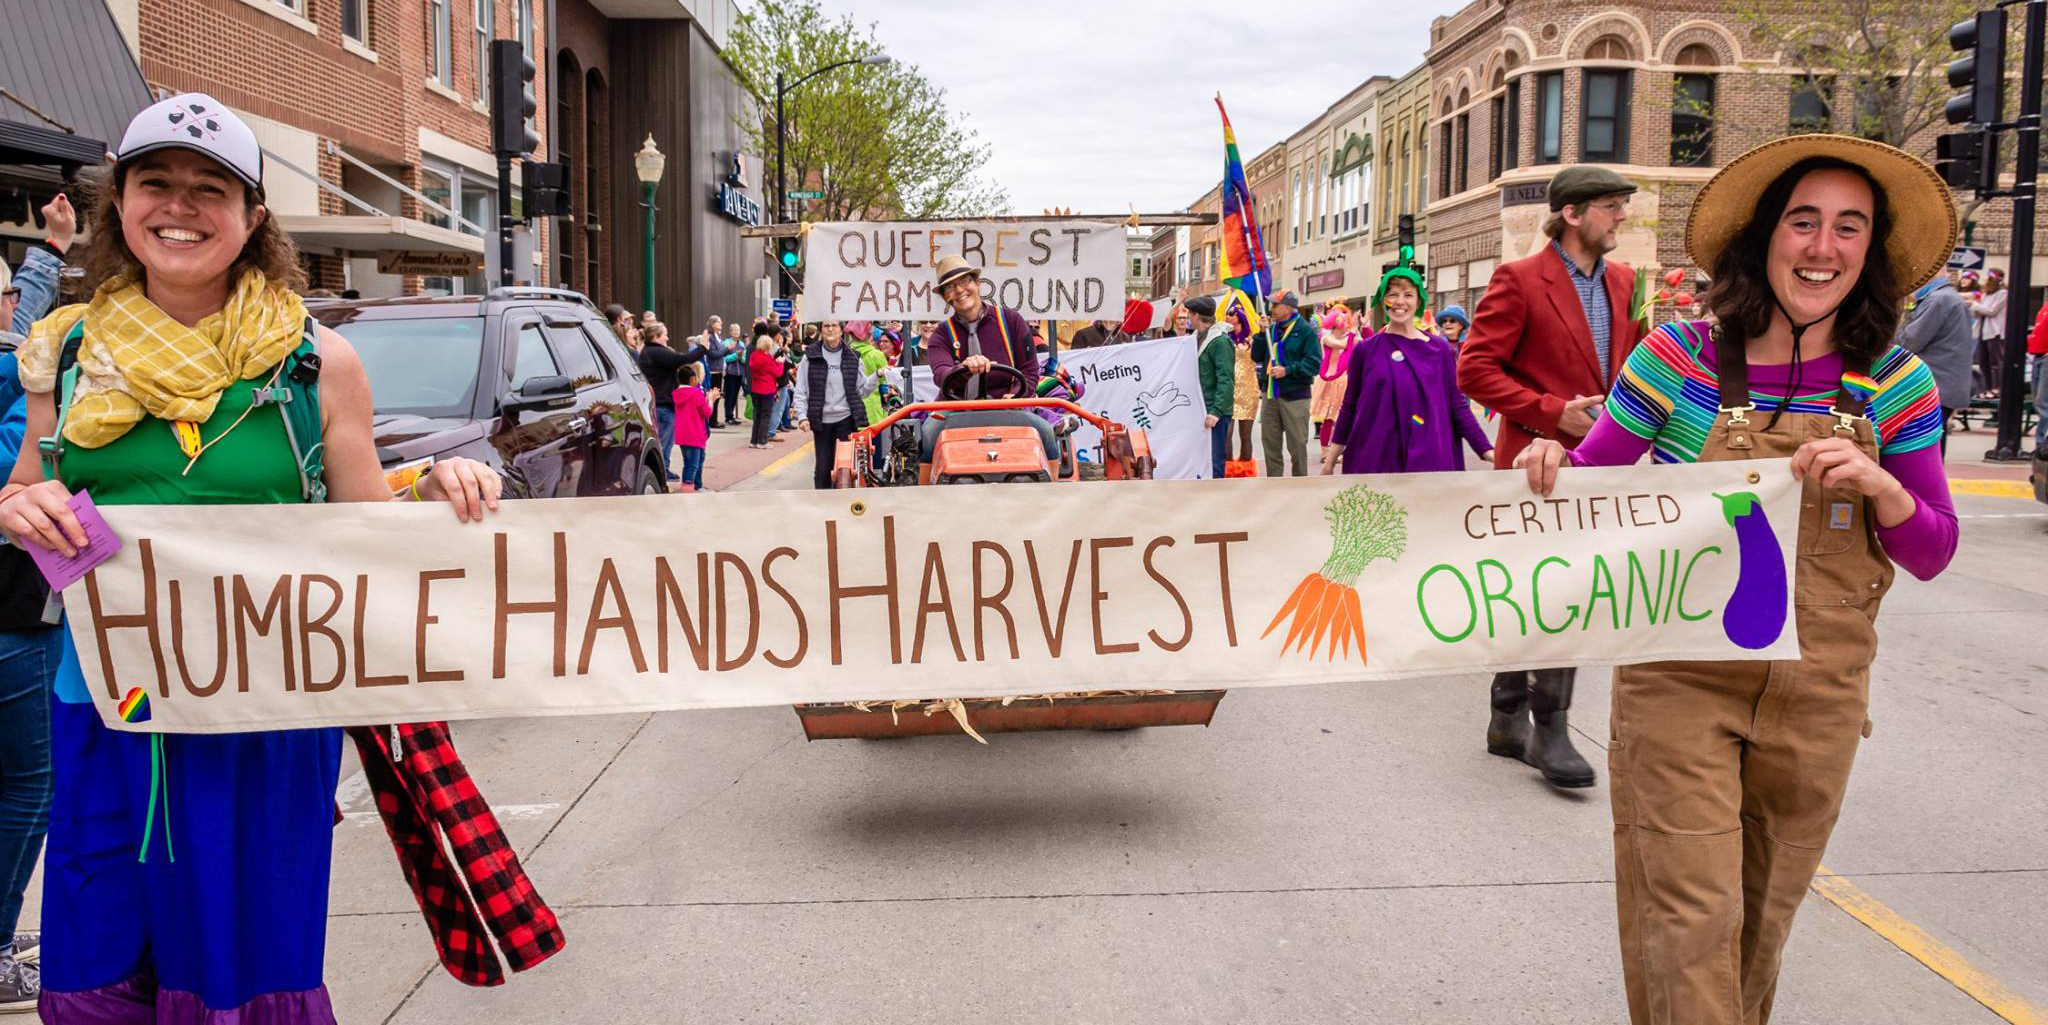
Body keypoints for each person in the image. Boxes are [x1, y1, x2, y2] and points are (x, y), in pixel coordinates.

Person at [1, 93, 502, 1023]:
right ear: (122, 203)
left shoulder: (318, 363)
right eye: (157, 183)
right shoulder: (65, 353)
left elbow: (364, 531)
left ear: (253, 217)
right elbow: (24, 488)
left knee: (248, 954)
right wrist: (20, 502)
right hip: (106, 701)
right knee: (101, 940)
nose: (180, 208)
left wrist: (434, 495)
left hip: (266, 704)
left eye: (211, 190)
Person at [1515, 135, 1958, 1025]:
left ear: (1869, 252)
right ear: (1763, 237)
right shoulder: (1675, 359)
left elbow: (1933, 546)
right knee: (1688, 919)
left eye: (1848, 227)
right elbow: (1593, 483)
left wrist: (1882, 488)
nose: (1823, 247)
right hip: (1679, 677)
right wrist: (1547, 460)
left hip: (1820, 692)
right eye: (1803, 222)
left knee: (1758, 928)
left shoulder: (1899, 385)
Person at [1456, 164, 1646, 789]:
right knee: (1551, 592)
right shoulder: (1518, 280)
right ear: (1572, 213)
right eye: (1612, 206)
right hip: (1533, 464)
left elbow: (1636, 367)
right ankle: (1550, 729)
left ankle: (1506, 716)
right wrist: (1549, 412)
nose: (1622, 216)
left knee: (1568, 589)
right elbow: (1475, 371)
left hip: (1602, 463)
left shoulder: (1624, 282)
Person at [1320, 264, 1492, 475]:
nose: (1400, 302)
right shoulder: (1365, 350)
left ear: (1418, 301)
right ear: (1384, 301)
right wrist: (1331, 458)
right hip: (1376, 457)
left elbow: (1456, 405)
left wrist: (1485, 449)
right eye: (1393, 294)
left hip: (1429, 457)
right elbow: (1350, 406)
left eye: (1408, 294)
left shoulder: (1439, 349)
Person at [923, 255, 1041, 393]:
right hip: (958, 410)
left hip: (1010, 408)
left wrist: (1016, 397)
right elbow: (941, 375)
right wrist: (963, 369)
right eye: (950, 287)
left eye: (965, 281)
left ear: (977, 284)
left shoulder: (1012, 320)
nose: (959, 290)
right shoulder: (940, 336)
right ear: (944, 297)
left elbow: (1030, 371)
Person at [1895, 270, 1975, 455]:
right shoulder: (1945, 297)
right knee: (1932, 446)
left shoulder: (1938, 300)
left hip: (1935, 385)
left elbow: (1908, 341)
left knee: (1927, 448)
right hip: (1942, 384)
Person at [794, 321, 880, 490]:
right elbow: (801, 389)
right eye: (826, 326)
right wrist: (802, 416)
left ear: (842, 330)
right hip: (822, 421)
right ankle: (822, 505)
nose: (830, 329)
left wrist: (877, 375)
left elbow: (861, 391)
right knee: (823, 468)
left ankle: (844, 504)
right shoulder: (810, 356)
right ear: (821, 330)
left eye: (834, 325)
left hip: (846, 420)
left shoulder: (853, 356)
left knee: (845, 469)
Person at [1251, 290, 1319, 476]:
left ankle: (1299, 484)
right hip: (1270, 394)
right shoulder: (1271, 330)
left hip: (1295, 395)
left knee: (1297, 444)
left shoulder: (1305, 331)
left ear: (1288, 307)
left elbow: (1314, 364)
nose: (1270, 309)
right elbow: (1255, 356)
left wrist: (1287, 370)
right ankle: (1274, 485)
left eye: (1275, 305)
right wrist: (1260, 333)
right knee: (1270, 443)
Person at [635, 322, 698, 481]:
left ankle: (664, 469)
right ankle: (662, 470)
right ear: (655, 337)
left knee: (666, 440)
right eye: (664, 335)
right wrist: (702, 348)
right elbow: (683, 359)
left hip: (660, 402)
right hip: (663, 404)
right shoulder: (656, 352)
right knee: (664, 441)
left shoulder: (650, 351)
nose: (667, 338)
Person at [1188, 296, 1234, 479]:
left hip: (1214, 409)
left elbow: (1226, 379)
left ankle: (1217, 498)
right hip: (1200, 405)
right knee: (1201, 457)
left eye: (1190, 314)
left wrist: (1216, 411)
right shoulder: (1196, 338)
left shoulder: (1220, 341)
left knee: (1215, 458)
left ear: (1197, 315)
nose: (1189, 318)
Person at [1310, 300, 1359, 446]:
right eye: (1342, 319)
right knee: (1328, 418)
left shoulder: (1348, 337)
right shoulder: (1327, 338)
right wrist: (1354, 330)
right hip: (1330, 381)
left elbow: (1364, 342)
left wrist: (1364, 327)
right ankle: (1325, 453)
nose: (1345, 322)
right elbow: (1343, 345)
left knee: (1342, 418)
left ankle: (1338, 450)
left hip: (1344, 381)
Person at [1224, 293, 1262, 474]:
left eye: (1231, 314)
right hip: (1230, 389)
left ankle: (1246, 470)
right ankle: (1228, 468)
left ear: (1239, 317)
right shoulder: (1225, 338)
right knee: (1227, 433)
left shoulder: (1252, 339)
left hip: (1248, 389)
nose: (1228, 317)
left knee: (1245, 435)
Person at [670, 363, 716, 491]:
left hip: (682, 433)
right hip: (695, 433)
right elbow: (707, 412)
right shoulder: (695, 394)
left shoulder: (676, 393)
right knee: (694, 464)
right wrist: (710, 400)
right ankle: (688, 487)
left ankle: (696, 485)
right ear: (692, 379)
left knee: (690, 462)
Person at [1970, 268, 2008, 398]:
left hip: (1995, 332)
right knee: (1983, 362)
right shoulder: (1988, 294)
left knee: (1995, 363)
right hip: (1984, 331)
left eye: (1987, 277)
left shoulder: (2003, 293)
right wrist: (1975, 308)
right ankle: (1985, 388)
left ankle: (1997, 388)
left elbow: (1991, 311)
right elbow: (1980, 311)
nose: (1984, 280)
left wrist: (1975, 304)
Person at [747, 323, 785, 449]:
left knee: (757, 415)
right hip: (767, 389)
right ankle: (762, 441)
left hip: (756, 388)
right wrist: (780, 363)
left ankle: (754, 440)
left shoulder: (754, 356)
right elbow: (778, 373)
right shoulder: (767, 359)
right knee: (765, 416)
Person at [2027, 298, 2048, 456]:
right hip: (2037, 356)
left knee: (2042, 402)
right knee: (2038, 401)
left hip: (2045, 357)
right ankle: (2040, 444)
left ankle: (2042, 444)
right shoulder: (2045, 307)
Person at [719, 322, 748, 427]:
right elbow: (723, 359)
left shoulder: (741, 344)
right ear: (730, 332)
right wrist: (735, 356)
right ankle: (728, 416)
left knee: (735, 395)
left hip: (740, 373)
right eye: (734, 330)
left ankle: (731, 416)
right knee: (729, 395)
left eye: (738, 330)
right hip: (730, 372)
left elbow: (745, 359)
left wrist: (741, 358)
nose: (736, 332)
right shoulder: (726, 343)